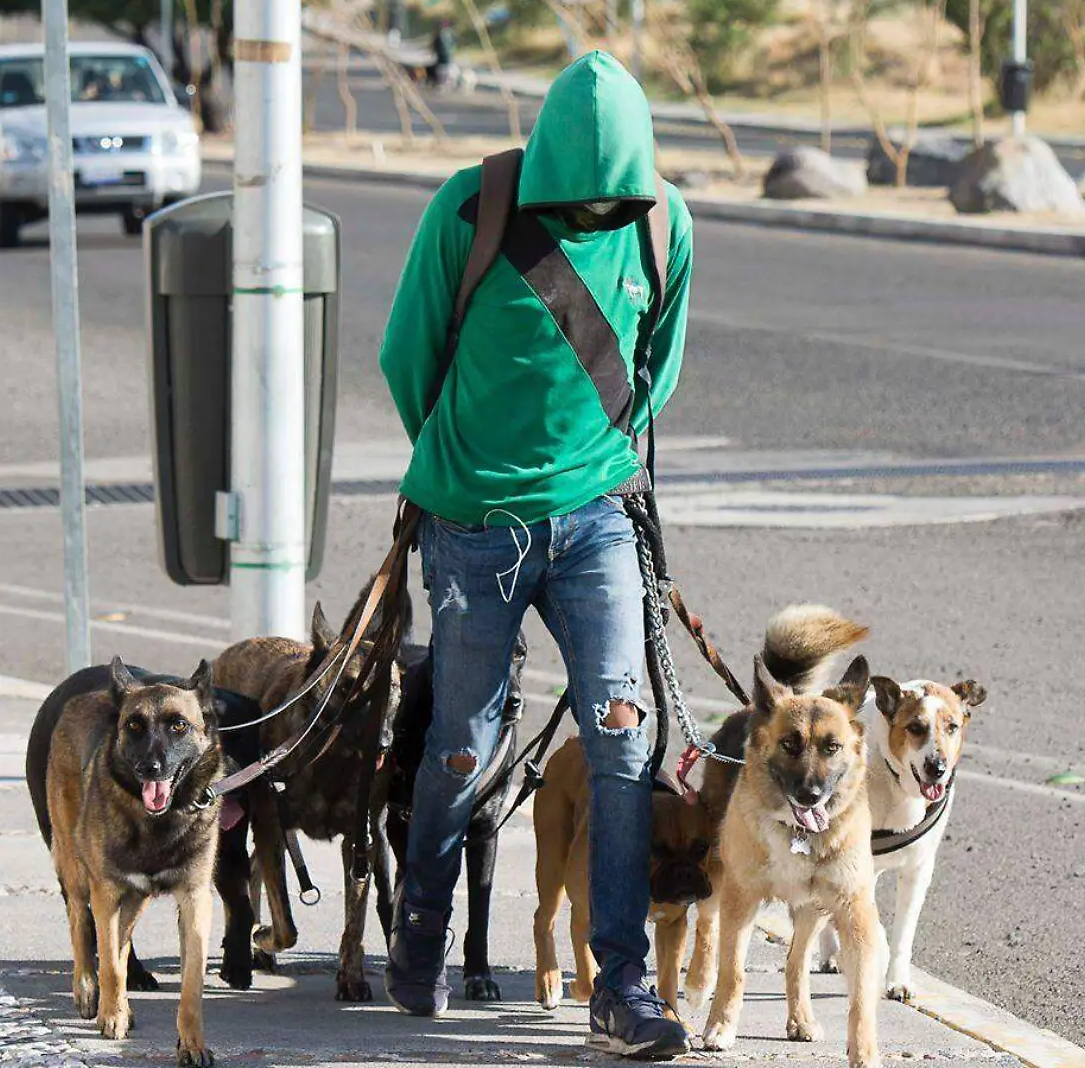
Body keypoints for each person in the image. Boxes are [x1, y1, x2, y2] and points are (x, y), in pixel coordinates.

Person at [376, 50, 694, 1060]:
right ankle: (419, 931)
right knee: (464, 742)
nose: (600, 210)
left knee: (621, 730)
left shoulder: (662, 223)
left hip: (597, 519)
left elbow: (656, 371)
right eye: (581, 196)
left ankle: (622, 982)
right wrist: (462, 464)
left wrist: (589, 462)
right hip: (472, 527)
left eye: (617, 192)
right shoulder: (470, 209)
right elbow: (406, 355)